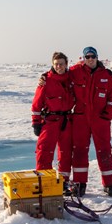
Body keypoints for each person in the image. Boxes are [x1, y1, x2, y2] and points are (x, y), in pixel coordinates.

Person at [70, 46, 112, 197]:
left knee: (104, 150)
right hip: (80, 119)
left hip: (100, 120)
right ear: (83, 58)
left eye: (93, 57)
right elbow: (58, 75)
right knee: (79, 150)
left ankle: (109, 184)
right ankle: (80, 184)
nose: (90, 59)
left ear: (97, 57)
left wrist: (107, 116)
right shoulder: (74, 72)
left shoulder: (107, 75)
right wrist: (45, 77)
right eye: (87, 57)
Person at [31, 52, 74, 195]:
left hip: (67, 120)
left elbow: (84, 67)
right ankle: (44, 181)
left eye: (61, 64)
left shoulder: (71, 79)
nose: (59, 67)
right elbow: (36, 104)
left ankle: (64, 182)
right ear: (52, 65)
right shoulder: (46, 81)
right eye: (56, 64)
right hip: (50, 121)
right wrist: (36, 123)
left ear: (66, 64)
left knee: (66, 152)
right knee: (44, 151)